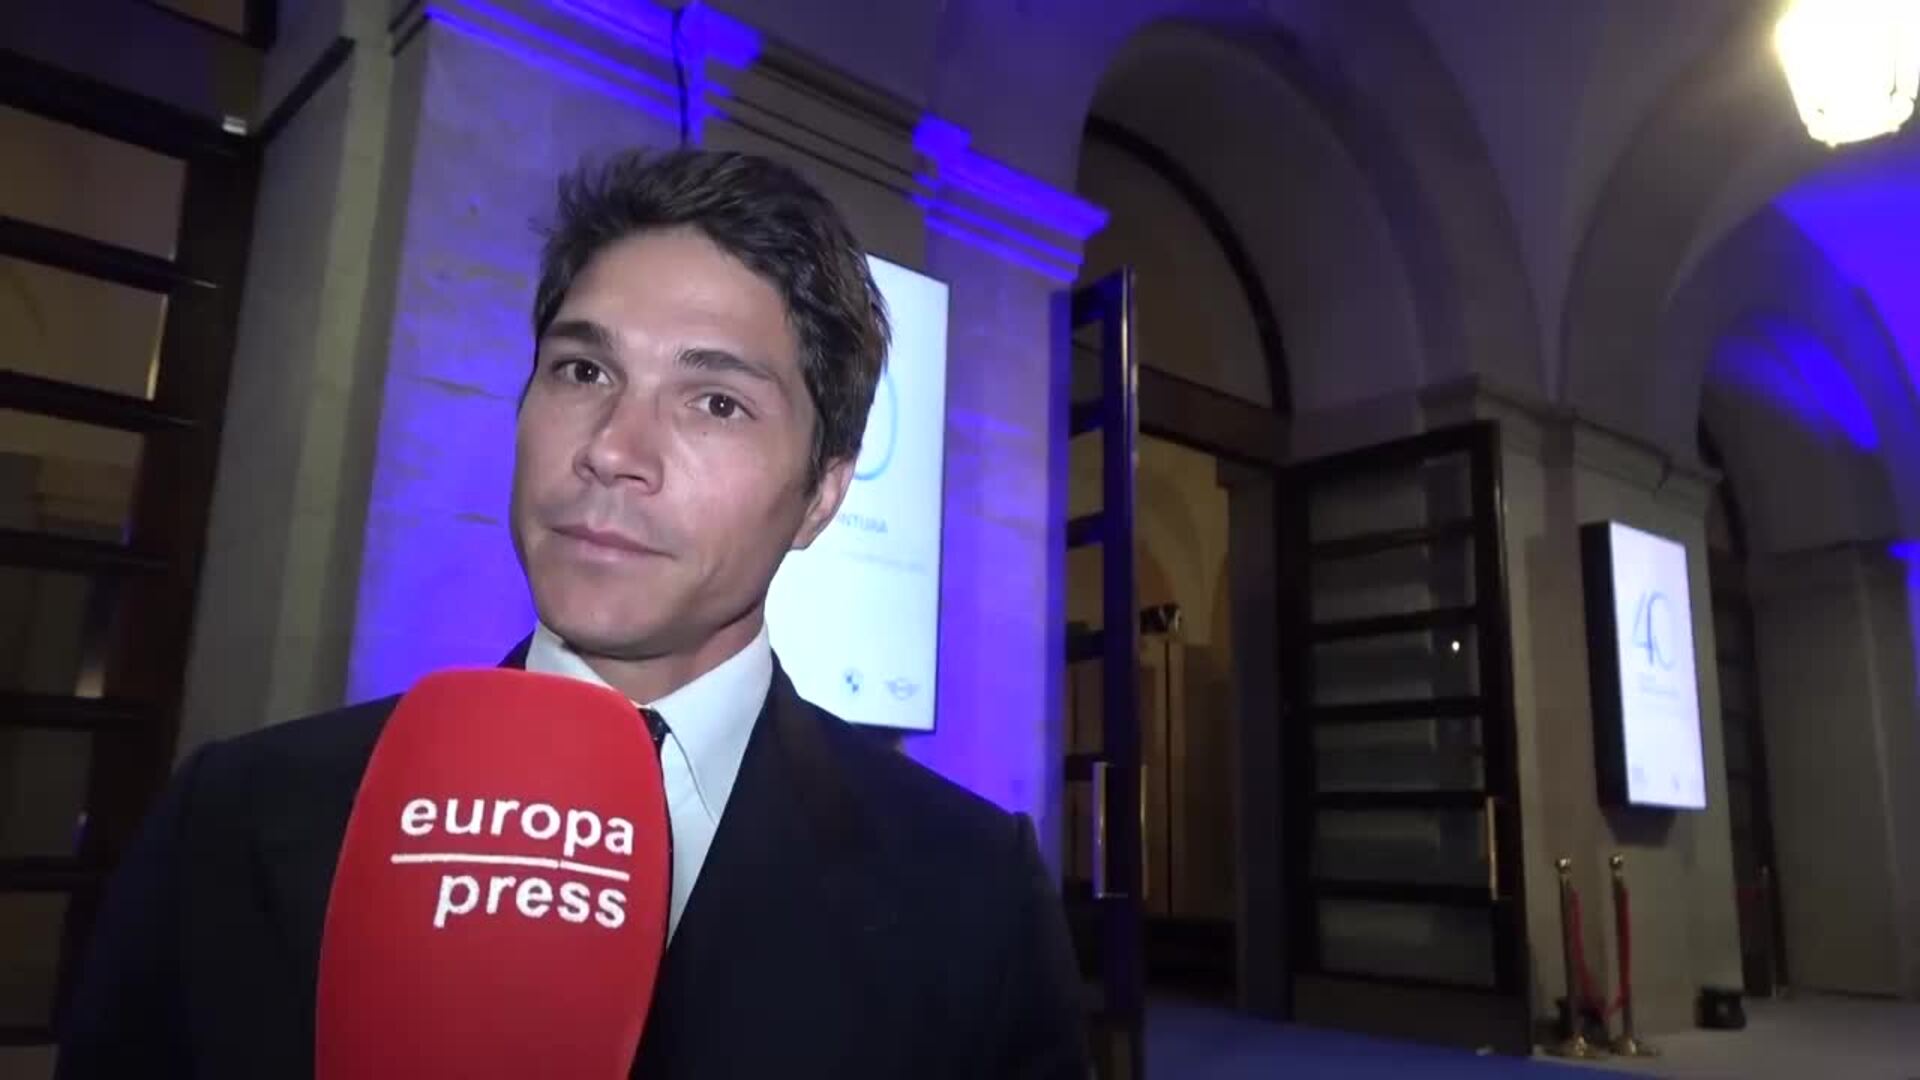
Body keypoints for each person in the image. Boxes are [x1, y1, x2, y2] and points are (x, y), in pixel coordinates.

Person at [57, 149, 1089, 1079]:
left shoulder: (973, 894)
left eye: (715, 401)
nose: (610, 449)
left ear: (821, 493)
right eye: (583, 370)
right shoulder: (235, 819)